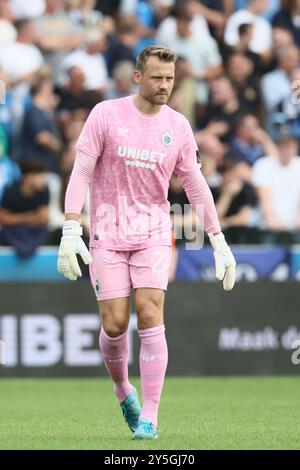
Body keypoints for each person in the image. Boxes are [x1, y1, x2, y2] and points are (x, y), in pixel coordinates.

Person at [57, 45, 236, 440]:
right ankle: (124, 391)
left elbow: (194, 184)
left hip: (155, 231)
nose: (164, 85)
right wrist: (71, 227)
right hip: (107, 232)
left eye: (170, 79)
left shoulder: (179, 126)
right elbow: (81, 171)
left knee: (151, 311)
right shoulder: (106, 114)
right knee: (115, 323)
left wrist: (218, 240)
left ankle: (150, 418)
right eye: (157, 77)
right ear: (137, 77)